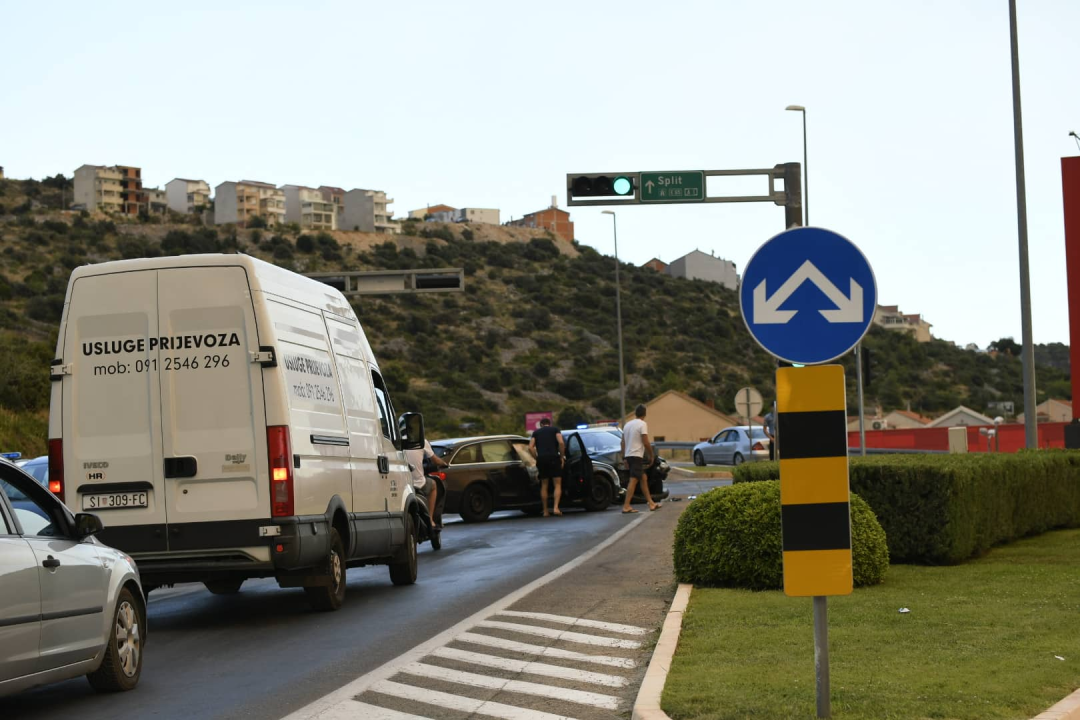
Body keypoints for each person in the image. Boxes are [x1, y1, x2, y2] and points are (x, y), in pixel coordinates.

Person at [622, 404, 661, 513]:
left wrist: (624, 457)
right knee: (633, 480)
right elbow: (645, 441)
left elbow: (623, 442)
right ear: (645, 414)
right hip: (636, 456)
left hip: (629, 455)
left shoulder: (627, 425)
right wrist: (651, 454)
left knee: (643, 478)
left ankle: (651, 503)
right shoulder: (642, 424)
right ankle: (626, 506)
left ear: (635, 413)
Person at [406, 438, 447, 527]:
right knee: (433, 485)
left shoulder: (397, 441)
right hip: (418, 484)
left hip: (404, 484)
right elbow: (435, 460)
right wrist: (444, 463)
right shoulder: (421, 441)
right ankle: (430, 519)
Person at [529, 418, 564, 517]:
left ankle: (545, 511)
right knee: (557, 484)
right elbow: (561, 443)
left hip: (542, 459)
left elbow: (530, 447)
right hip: (554, 458)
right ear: (550, 424)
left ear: (541, 425)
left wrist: (537, 458)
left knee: (544, 484)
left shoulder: (536, 433)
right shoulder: (555, 430)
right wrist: (561, 457)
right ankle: (556, 508)